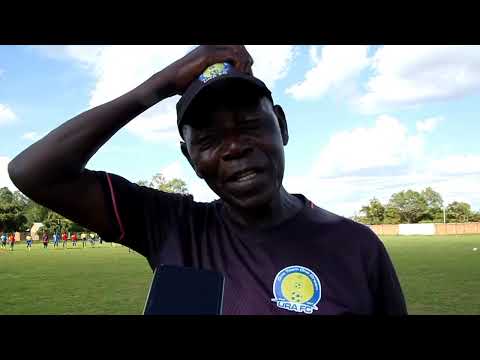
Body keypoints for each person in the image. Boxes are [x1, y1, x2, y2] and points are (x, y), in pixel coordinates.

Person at [7, 45, 407, 315]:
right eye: (210, 140)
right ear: (191, 159)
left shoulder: (357, 247)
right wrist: (158, 85)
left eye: (249, 125)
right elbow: (33, 172)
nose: (233, 148)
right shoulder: (172, 226)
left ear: (281, 127)